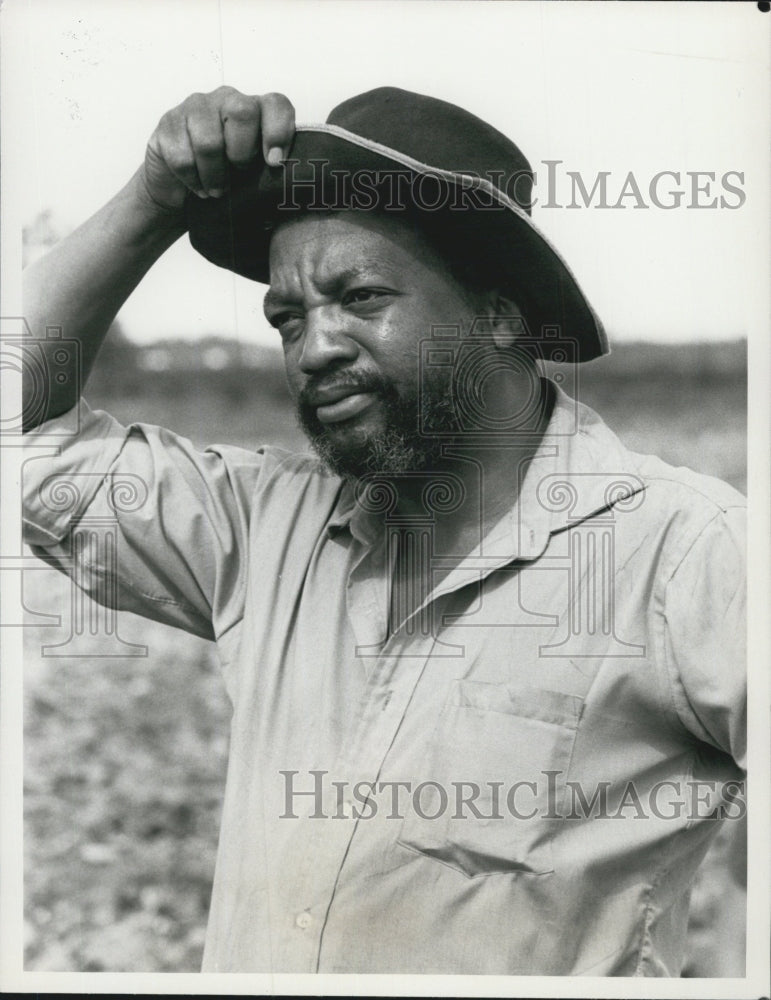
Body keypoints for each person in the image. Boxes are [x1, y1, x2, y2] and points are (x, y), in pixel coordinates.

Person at [22, 86, 746, 976]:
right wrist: (150, 203)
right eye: (288, 319)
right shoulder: (263, 528)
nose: (313, 346)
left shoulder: (682, 555)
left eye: (359, 297)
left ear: (500, 313)